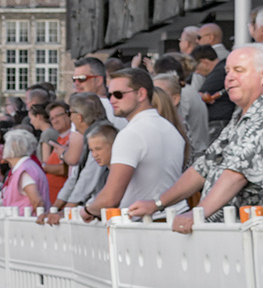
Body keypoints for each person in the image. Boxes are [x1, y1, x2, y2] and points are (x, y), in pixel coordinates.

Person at [128, 45, 263, 230]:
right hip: (229, 234)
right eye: (227, 71)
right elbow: (203, 167)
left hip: (251, 238)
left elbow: (237, 175)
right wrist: (157, 204)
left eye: (239, 70)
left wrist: (197, 214)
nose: (229, 77)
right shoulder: (243, 114)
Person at [77, 68, 185, 221]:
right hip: (173, 218)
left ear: (141, 94)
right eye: (109, 94)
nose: (112, 100)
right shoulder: (170, 128)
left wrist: (87, 211)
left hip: (145, 224)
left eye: (118, 94)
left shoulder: (131, 134)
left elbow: (111, 197)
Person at [0, 130, 49, 216]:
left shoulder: (24, 171)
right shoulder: (26, 166)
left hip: (26, 224)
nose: (3, 148)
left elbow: (37, 201)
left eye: (5, 145)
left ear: (13, 148)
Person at [70, 56, 126, 129]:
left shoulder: (88, 107)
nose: (76, 83)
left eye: (82, 78)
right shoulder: (115, 105)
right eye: (74, 79)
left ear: (98, 81)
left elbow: (76, 140)